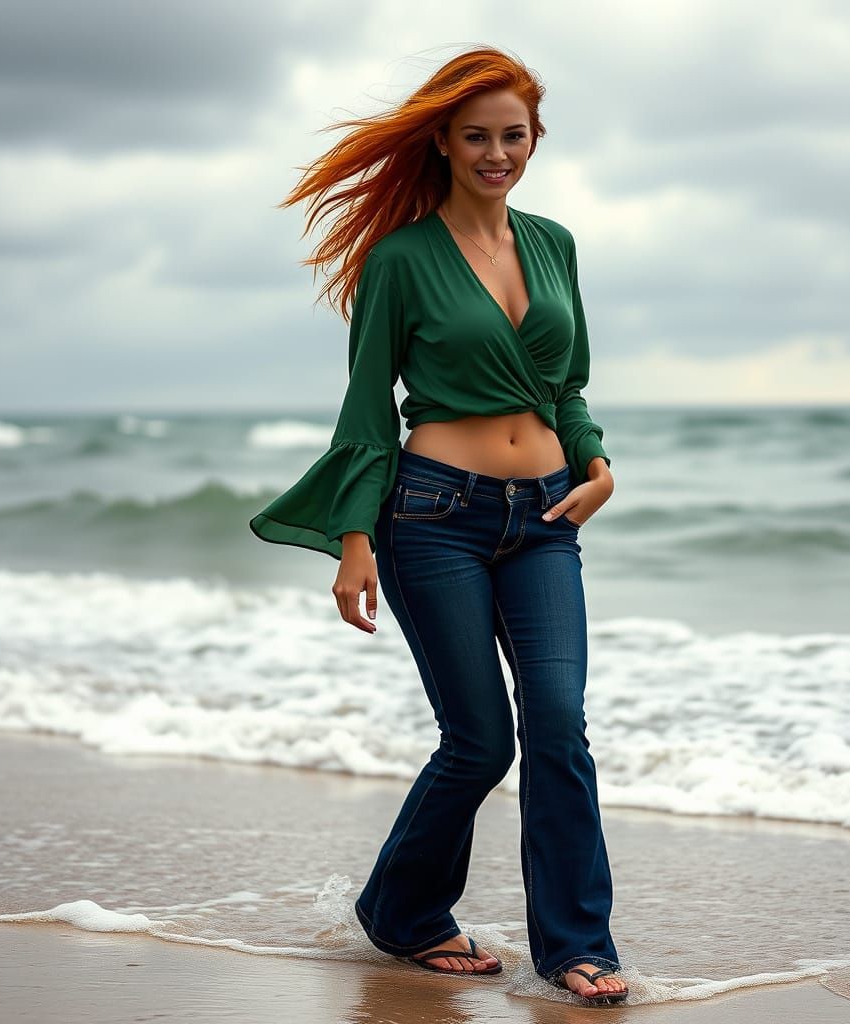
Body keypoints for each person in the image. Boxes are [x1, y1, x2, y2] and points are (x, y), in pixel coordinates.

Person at [249, 46, 628, 1007]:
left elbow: (565, 383)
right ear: (445, 144)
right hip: (433, 518)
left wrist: (596, 464)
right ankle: (407, 915)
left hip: (544, 516)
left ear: (534, 139)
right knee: (478, 740)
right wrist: (353, 540)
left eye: (515, 135)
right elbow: (368, 410)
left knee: (558, 723)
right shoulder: (401, 258)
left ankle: (579, 945)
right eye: (478, 137)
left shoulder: (554, 245)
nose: (498, 153)